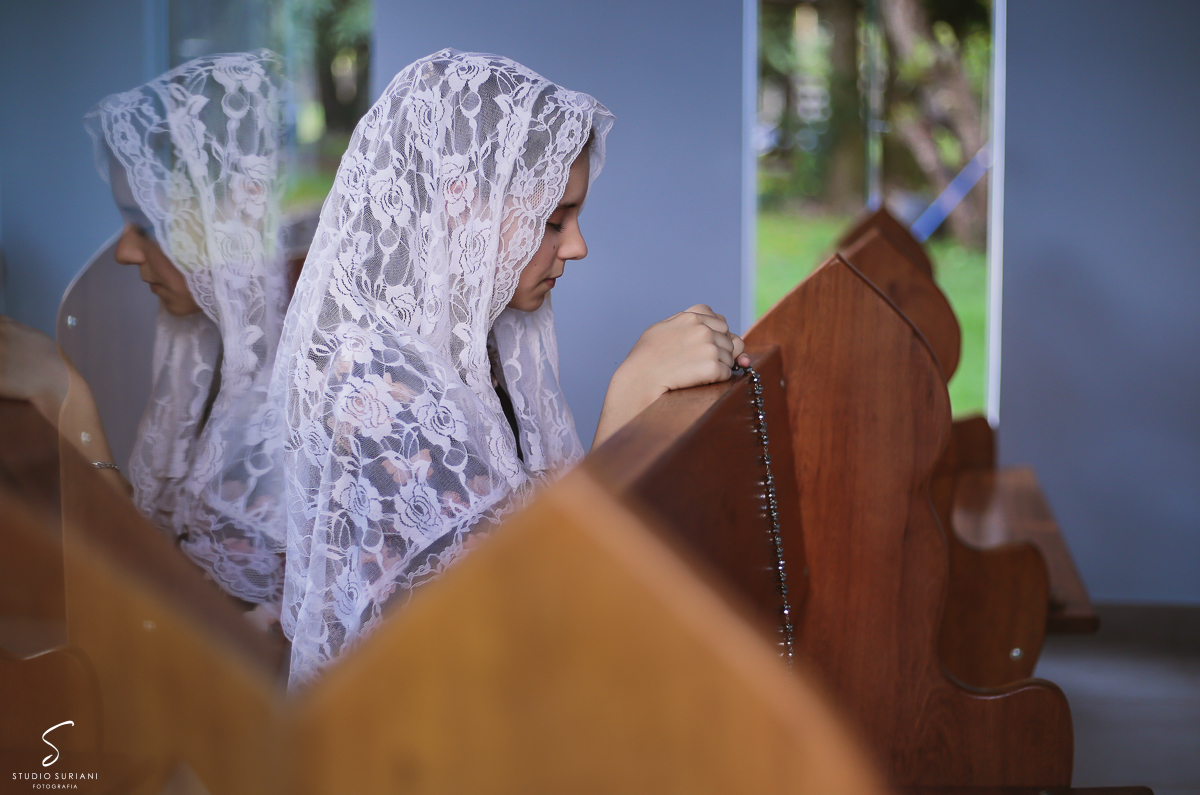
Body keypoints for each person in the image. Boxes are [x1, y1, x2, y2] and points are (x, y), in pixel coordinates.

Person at [273, 49, 750, 686]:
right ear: (462, 204)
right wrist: (629, 399)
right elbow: (511, 632)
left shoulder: (473, 351)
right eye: (555, 220)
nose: (577, 247)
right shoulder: (377, 387)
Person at [0, 50, 289, 628]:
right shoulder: (211, 353)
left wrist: (69, 403)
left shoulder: (301, 395)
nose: (127, 253)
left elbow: (179, 622)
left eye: (148, 225)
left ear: (240, 216)